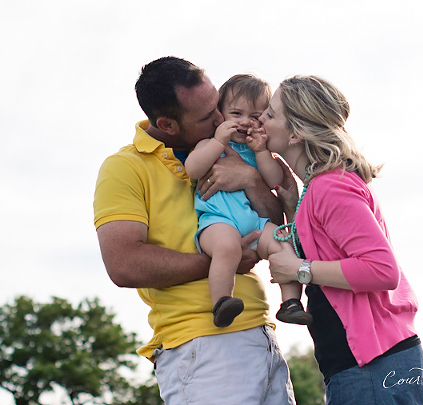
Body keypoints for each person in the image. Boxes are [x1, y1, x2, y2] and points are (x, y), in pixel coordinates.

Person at [93, 56, 296, 404]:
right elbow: (123, 264)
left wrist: (250, 179)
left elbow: (276, 224)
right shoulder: (124, 168)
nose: (219, 117)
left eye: (217, 104)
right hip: (201, 344)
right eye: (205, 116)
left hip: (262, 334)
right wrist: (225, 260)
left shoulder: (236, 150)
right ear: (167, 124)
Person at [258, 75, 423, 404]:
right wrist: (291, 205)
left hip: (371, 368)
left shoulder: (329, 186)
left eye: (270, 113)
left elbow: (382, 270)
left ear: (295, 133)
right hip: (367, 365)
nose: (260, 119)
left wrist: (299, 270)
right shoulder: (318, 187)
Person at [185, 74, 312, 327]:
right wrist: (218, 141)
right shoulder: (209, 144)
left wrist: (261, 152)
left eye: (254, 116)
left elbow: (274, 180)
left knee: (283, 243)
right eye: (236, 114)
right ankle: (222, 301)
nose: (244, 122)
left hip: (255, 222)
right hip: (218, 221)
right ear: (220, 114)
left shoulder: (258, 149)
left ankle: (290, 303)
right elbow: (193, 169)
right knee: (227, 249)